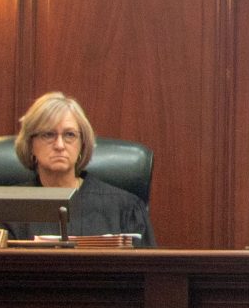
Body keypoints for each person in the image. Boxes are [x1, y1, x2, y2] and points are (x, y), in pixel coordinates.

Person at [9, 90, 153, 246]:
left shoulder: (125, 208)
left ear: (82, 145)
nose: (59, 145)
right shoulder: (8, 209)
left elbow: (144, 261)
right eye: (48, 134)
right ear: (30, 144)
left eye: (69, 135)